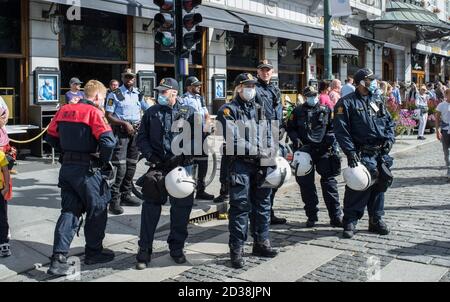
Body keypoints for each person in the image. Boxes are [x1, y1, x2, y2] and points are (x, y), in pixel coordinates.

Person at [45, 80, 117, 276]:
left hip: (67, 169)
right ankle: (94, 252)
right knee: (98, 208)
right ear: (96, 97)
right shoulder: (94, 112)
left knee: (69, 210)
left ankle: (58, 258)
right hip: (88, 170)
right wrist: (103, 162)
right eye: (102, 99)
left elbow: (50, 137)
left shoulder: (64, 110)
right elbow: (108, 142)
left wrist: (65, 153)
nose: (103, 102)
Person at [217, 73, 278, 269]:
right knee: (240, 207)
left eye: (253, 85)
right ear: (238, 88)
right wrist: (258, 152)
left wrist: (271, 151)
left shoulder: (259, 109)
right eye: (247, 85)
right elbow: (233, 139)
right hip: (240, 164)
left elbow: (268, 133)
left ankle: (261, 242)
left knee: (263, 204)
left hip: (261, 164)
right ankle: (237, 249)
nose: (251, 88)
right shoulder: (228, 110)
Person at [135, 78, 196, 269]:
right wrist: (150, 155)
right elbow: (141, 137)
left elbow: (198, 139)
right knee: (150, 209)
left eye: (163, 92)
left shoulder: (189, 113)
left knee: (181, 211)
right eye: (159, 92)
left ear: (174, 93)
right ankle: (144, 251)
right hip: (158, 168)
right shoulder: (152, 112)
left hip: (181, 167)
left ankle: (176, 249)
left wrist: (185, 154)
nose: (160, 95)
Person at [333, 68, 395, 239]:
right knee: (358, 187)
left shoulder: (377, 100)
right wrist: (350, 152)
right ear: (361, 82)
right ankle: (350, 221)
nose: (373, 83)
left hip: (380, 152)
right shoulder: (346, 103)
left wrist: (390, 139)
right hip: (361, 153)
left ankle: (376, 219)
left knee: (379, 187)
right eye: (370, 80)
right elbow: (341, 131)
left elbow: (389, 122)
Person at [287, 86, 343, 228]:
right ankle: (312, 215)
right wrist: (295, 139)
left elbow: (332, 127)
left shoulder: (326, 110)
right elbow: (290, 127)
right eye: (309, 95)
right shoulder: (297, 111)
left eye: (314, 95)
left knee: (329, 183)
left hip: (323, 150)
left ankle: (335, 216)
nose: (313, 98)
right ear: (305, 97)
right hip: (304, 151)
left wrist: (330, 139)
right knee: (307, 186)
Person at [105, 69, 150, 215]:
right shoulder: (115, 94)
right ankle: (114, 200)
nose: (129, 79)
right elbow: (109, 115)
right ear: (123, 78)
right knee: (120, 167)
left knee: (131, 164)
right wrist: (124, 124)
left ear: (135, 79)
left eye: (132, 77)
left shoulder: (138, 94)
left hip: (135, 133)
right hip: (121, 132)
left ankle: (126, 195)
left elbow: (147, 110)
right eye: (127, 77)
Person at [255, 59, 286, 225]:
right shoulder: (254, 89)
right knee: (261, 177)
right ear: (258, 72)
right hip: (259, 137)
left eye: (268, 70)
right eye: (263, 70)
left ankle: (269, 211)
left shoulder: (275, 89)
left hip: (273, 137)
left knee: (272, 176)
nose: (266, 73)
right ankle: (260, 214)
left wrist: (280, 127)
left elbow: (278, 111)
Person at [181, 76, 214, 200]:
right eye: (196, 85)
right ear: (189, 87)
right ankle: (188, 193)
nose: (199, 87)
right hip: (191, 134)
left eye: (199, 85)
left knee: (203, 162)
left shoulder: (200, 98)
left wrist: (208, 124)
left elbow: (206, 114)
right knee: (190, 163)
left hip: (202, 133)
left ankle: (201, 190)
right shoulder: (183, 99)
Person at [435, 88, 450, 181]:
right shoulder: (441, 105)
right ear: (446, 95)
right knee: (446, 151)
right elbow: (437, 118)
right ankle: (449, 169)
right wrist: (437, 131)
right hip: (445, 130)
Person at [0, 150, 11, 257]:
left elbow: (5, 171)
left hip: (0, 190)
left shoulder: (0, 154)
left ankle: (3, 242)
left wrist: (6, 187)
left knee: (2, 217)